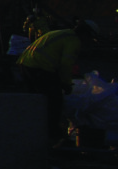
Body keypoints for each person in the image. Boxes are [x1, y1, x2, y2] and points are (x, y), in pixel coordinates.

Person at [16, 11, 81, 139]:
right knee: (54, 101)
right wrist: (66, 83)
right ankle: (52, 134)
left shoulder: (62, 33)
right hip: (38, 66)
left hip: (26, 63)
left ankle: (34, 129)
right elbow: (66, 64)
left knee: (35, 98)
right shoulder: (74, 40)